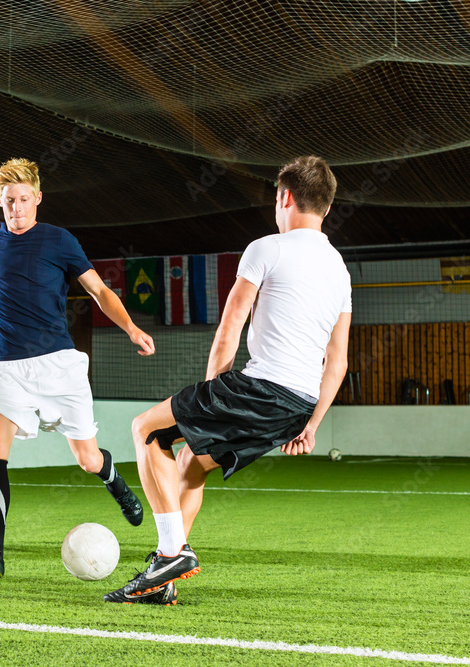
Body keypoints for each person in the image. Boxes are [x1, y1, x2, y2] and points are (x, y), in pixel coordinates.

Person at [103, 156, 351, 605]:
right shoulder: (340, 269)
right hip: (297, 407)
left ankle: (169, 554)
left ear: (284, 197)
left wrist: (212, 390)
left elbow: (232, 322)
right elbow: (338, 361)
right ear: (327, 208)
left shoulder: (267, 248)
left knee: (145, 429)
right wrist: (311, 424)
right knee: (190, 465)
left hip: (260, 388)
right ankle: (165, 579)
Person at [0, 158, 155, 579]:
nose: (16, 208)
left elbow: (97, 290)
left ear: (37, 198)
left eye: (23, 199)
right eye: (7, 201)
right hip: (5, 369)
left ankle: (113, 480)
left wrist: (130, 327)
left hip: (58, 366)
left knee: (87, 458)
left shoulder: (60, 241)